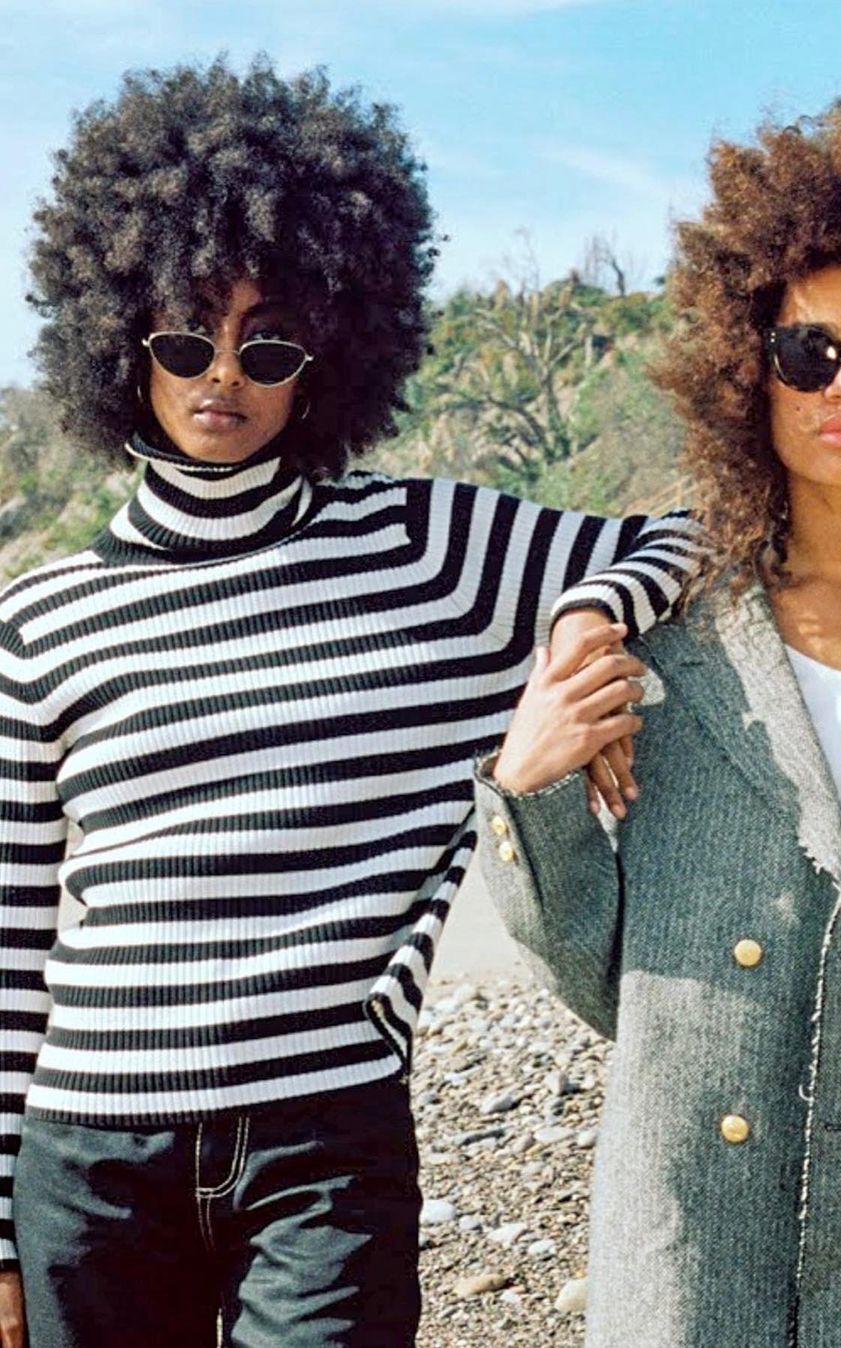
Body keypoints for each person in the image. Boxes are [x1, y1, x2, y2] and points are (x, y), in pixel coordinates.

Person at [0, 59, 699, 1348]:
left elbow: (695, 531)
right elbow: (9, 938)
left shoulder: (432, 549)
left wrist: (582, 616)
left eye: (267, 343)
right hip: (88, 1164)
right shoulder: (42, 619)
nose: (222, 374)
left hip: (326, 1149)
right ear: (121, 342)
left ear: (328, 355)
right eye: (184, 339)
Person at [475, 106, 841, 1347]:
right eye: (809, 351)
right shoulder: (665, 645)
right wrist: (531, 789)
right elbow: (615, 981)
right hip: (706, 1258)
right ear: (749, 372)